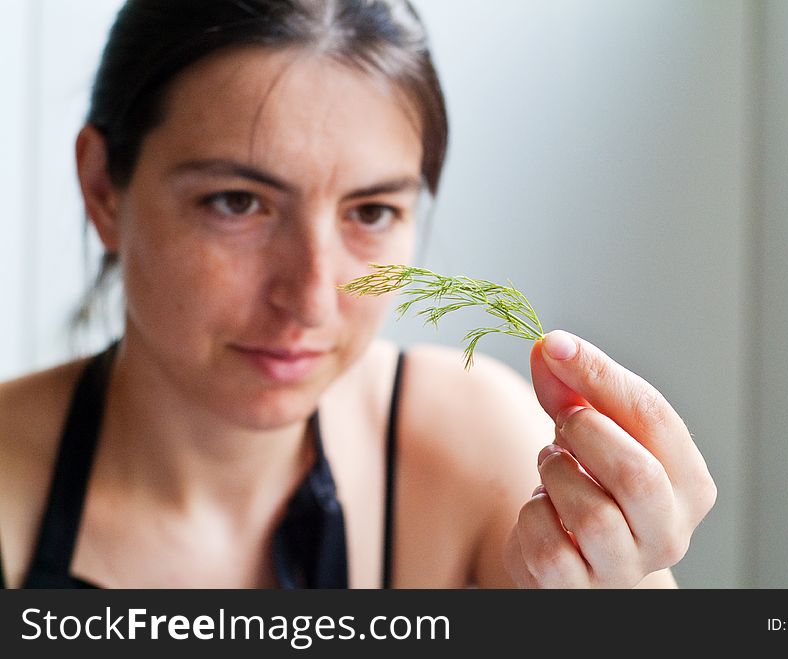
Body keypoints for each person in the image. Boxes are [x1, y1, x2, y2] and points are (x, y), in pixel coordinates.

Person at [0, 0, 715, 589]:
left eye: (371, 213)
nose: (312, 299)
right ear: (102, 187)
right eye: (236, 203)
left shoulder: (484, 458)